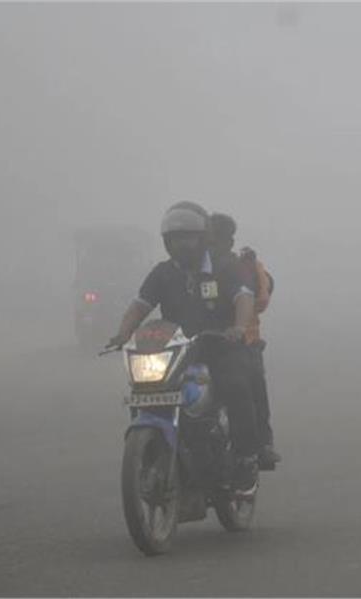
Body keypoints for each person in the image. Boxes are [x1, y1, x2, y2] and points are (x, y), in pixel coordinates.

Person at [108, 201, 261, 494]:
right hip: (177, 351)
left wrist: (239, 328)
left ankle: (246, 459)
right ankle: (156, 456)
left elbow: (244, 297)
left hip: (221, 346)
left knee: (236, 385)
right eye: (175, 239)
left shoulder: (224, 267)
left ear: (203, 238)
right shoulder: (162, 273)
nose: (181, 245)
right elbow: (140, 305)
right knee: (146, 390)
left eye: (188, 238)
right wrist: (122, 333)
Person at [208, 213, 282, 469]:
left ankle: (260, 445)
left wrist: (238, 326)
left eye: (213, 239)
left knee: (251, 385)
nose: (208, 246)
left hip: (244, 341)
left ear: (228, 241)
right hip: (201, 341)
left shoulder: (242, 267)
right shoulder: (192, 268)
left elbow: (261, 298)